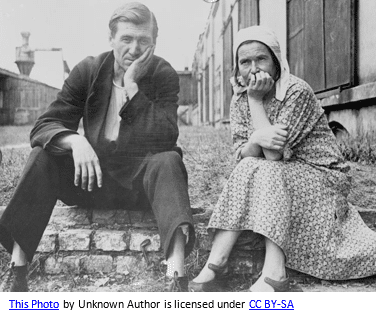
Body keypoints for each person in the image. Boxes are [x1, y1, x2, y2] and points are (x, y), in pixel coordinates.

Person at [0, 2, 195, 292]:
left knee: (168, 160)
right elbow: (45, 125)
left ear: (154, 43)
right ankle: (17, 272)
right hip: (91, 181)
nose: (134, 48)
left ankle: (176, 276)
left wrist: (132, 87)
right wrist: (75, 140)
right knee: (43, 155)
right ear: (111, 38)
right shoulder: (89, 70)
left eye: (143, 41)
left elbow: (166, 136)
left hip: (139, 186)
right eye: (126, 39)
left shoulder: (162, 74)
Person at [189, 26, 376, 292]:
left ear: (276, 62)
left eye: (261, 59)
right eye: (245, 62)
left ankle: (271, 271)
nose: (253, 69)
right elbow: (243, 155)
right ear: (237, 67)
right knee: (255, 166)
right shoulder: (238, 98)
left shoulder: (295, 92)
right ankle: (217, 260)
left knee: (266, 167)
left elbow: (274, 154)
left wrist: (255, 101)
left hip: (322, 176)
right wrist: (254, 140)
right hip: (281, 174)